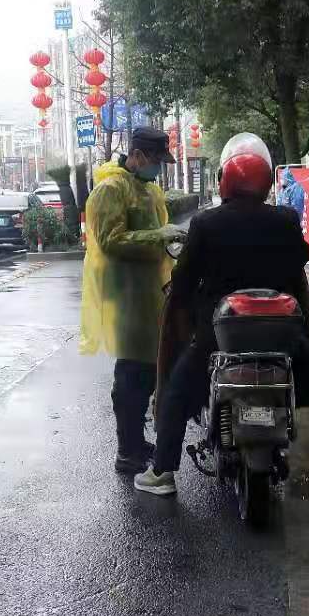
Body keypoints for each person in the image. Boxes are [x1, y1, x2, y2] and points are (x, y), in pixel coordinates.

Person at [134, 141, 309, 497]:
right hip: (280, 328)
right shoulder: (284, 219)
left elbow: (185, 279)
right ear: (265, 183)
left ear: (226, 182)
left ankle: (162, 471)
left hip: (223, 332)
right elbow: (299, 257)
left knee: (179, 388)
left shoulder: (206, 222)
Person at [80, 126, 186, 473]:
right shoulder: (110, 190)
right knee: (130, 374)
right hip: (125, 295)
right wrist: (158, 235)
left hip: (150, 293)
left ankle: (137, 442)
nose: (158, 167)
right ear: (137, 155)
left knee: (149, 370)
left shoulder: (148, 189)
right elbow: (111, 240)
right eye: (155, 159)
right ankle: (127, 450)